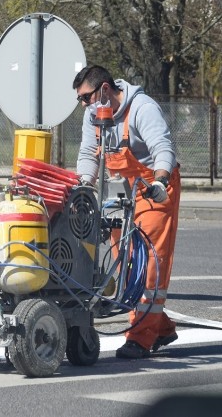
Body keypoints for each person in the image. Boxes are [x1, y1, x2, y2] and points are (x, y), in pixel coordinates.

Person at [72, 65, 181, 359]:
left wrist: (159, 180)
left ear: (105, 90)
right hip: (122, 189)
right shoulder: (92, 115)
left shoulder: (142, 108)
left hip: (154, 188)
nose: (83, 104)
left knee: (150, 265)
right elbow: (87, 153)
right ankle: (162, 327)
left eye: (86, 97)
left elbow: (163, 148)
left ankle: (141, 338)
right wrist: (83, 187)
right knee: (125, 267)